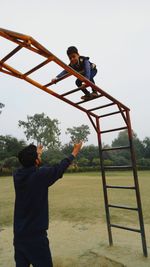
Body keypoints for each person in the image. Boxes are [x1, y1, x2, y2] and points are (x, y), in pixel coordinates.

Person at [13, 142, 82, 267]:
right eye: (38, 157)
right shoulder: (40, 176)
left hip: (19, 236)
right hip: (35, 238)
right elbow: (59, 168)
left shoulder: (17, 175)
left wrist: (37, 154)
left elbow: (30, 166)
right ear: (36, 161)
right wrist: (74, 152)